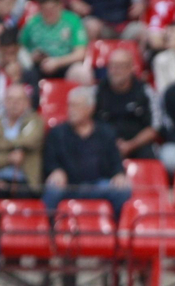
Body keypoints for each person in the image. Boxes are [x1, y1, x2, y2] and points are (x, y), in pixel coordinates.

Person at [42, 86, 131, 214]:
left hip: (99, 185)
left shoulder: (106, 132)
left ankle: (118, 230)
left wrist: (119, 174)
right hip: (68, 185)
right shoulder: (57, 133)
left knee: (122, 190)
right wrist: (56, 171)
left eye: (76, 106)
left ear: (90, 108)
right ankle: (47, 229)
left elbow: (115, 160)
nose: (71, 111)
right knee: (52, 189)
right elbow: (49, 160)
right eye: (70, 106)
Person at [94, 48, 160, 161]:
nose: (116, 70)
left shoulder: (145, 91)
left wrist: (131, 145)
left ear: (131, 68)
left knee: (149, 157)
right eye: (112, 66)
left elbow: (154, 127)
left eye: (121, 66)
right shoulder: (97, 91)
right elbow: (89, 125)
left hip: (138, 145)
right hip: (104, 145)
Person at [0, 82, 45, 192]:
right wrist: (8, 158)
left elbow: (29, 141)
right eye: (10, 99)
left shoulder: (36, 121)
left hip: (26, 181)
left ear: (27, 102)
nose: (14, 103)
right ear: (4, 102)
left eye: (19, 100)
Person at [19, 0, 89, 81]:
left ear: (60, 5)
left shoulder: (73, 20)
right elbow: (19, 48)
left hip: (65, 64)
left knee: (81, 72)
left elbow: (80, 54)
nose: (48, 14)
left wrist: (57, 62)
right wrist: (31, 57)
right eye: (44, 10)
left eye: (52, 9)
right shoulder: (32, 23)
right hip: (38, 66)